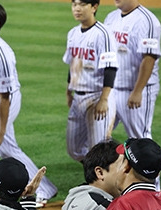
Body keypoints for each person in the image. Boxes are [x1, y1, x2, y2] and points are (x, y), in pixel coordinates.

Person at [0, 2, 58, 207]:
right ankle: (44, 187)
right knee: (8, 149)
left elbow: (5, 98)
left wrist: (1, 130)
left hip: (5, 100)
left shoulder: (2, 54)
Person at [64, 0, 118, 162]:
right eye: (74, 5)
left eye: (82, 5)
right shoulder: (72, 33)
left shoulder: (103, 33)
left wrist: (104, 99)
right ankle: (96, 175)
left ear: (94, 7)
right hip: (78, 98)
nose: (77, 9)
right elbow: (73, 64)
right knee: (74, 149)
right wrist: (68, 91)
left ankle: (106, 183)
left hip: (97, 97)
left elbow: (110, 68)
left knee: (99, 150)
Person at [104, 0, 161, 140]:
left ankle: (148, 162)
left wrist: (137, 91)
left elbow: (149, 58)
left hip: (136, 90)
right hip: (112, 90)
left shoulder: (147, 21)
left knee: (140, 138)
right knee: (99, 134)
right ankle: (113, 161)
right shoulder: (111, 18)